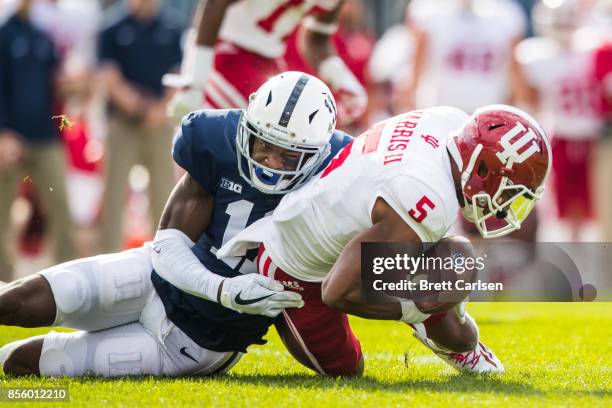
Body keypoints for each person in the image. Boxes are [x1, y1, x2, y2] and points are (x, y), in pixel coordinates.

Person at [0, 72, 354, 378]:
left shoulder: (341, 175)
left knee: (25, 362)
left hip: (198, 342)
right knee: (18, 299)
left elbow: (371, 252)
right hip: (156, 277)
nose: (270, 162)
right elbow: (168, 247)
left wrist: (407, 306)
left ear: (317, 154)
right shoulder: (216, 140)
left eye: (288, 155)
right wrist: (224, 290)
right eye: (263, 145)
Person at [219, 104, 552, 374]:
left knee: (453, 267)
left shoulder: (449, 121)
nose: (506, 203)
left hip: (349, 222)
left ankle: (447, 331)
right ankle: (429, 320)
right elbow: (337, 290)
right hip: (295, 266)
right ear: (480, 169)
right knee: (348, 371)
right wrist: (415, 309)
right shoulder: (427, 193)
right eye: (508, 190)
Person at [164, 0, 367, 127]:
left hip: (268, 62)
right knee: (270, 129)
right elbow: (215, 5)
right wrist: (195, 82)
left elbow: (317, 38)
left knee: (285, 131)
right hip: (225, 48)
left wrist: (344, 80)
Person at [97, 0, 183, 252]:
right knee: (114, 197)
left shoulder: (171, 26)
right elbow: (109, 76)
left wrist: (160, 110)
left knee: (164, 194)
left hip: (159, 123)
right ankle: (108, 258)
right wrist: (138, 106)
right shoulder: (112, 27)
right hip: (123, 124)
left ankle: (164, 256)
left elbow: (178, 73)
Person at [514, 0, 602, 241]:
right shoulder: (535, 56)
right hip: (558, 136)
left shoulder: (594, 48)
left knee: (594, 209)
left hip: (593, 138)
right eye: (559, 23)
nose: (564, 29)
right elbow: (527, 100)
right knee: (557, 210)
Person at [0, 0, 75, 280]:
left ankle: (68, 281)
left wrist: (72, 84)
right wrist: (2, 133)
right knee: (1, 216)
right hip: (10, 139)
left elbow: (56, 84)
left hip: (45, 138)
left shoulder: (43, 36)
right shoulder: (3, 34)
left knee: (61, 209)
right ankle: (3, 287)